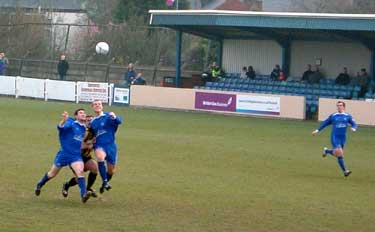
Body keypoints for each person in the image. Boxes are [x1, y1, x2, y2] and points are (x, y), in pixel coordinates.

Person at [35, 109, 91, 203]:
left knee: (80, 172)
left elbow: (79, 143)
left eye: (84, 113)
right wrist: (64, 120)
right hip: (64, 154)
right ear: (76, 116)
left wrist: (89, 144)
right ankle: (40, 184)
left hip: (75, 155)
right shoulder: (71, 122)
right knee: (52, 174)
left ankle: (83, 194)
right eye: (81, 113)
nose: (83, 114)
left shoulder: (83, 128)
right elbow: (61, 128)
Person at [312, 101, 357, 177]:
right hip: (335, 137)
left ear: (344, 107)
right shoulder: (333, 116)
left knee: (338, 154)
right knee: (340, 153)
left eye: (340, 105)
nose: (339, 107)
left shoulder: (348, 116)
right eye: (338, 105)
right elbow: (325, 123)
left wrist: (354, 128)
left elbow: (354, 123)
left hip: (343, 137)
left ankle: (327, 150)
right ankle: (345, 171)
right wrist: (317, 130)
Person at [62, 115, 98, 198]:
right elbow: (78, 145)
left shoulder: (94, 131)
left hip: (86, 156)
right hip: (75, 157)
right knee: (80, 178)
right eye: (87, 120)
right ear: (84, 121)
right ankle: (67, 185)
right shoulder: (80, 130)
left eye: (91, 120)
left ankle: (88, 188)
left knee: (95, 168)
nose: (89, 122)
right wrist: (89, 144)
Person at [90, 100, 122, 193]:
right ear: (92, 107)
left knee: (111, 171)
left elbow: (119, 121)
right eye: (95, 104)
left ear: (102, 106)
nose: (97, 106)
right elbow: (90, 134)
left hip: (111, 146)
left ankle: (104, 184)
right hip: (100, 145)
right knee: (100, 158)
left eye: (99, 104)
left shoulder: (108, 116)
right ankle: (105, 182)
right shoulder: (93, 122)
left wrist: (114, 117)